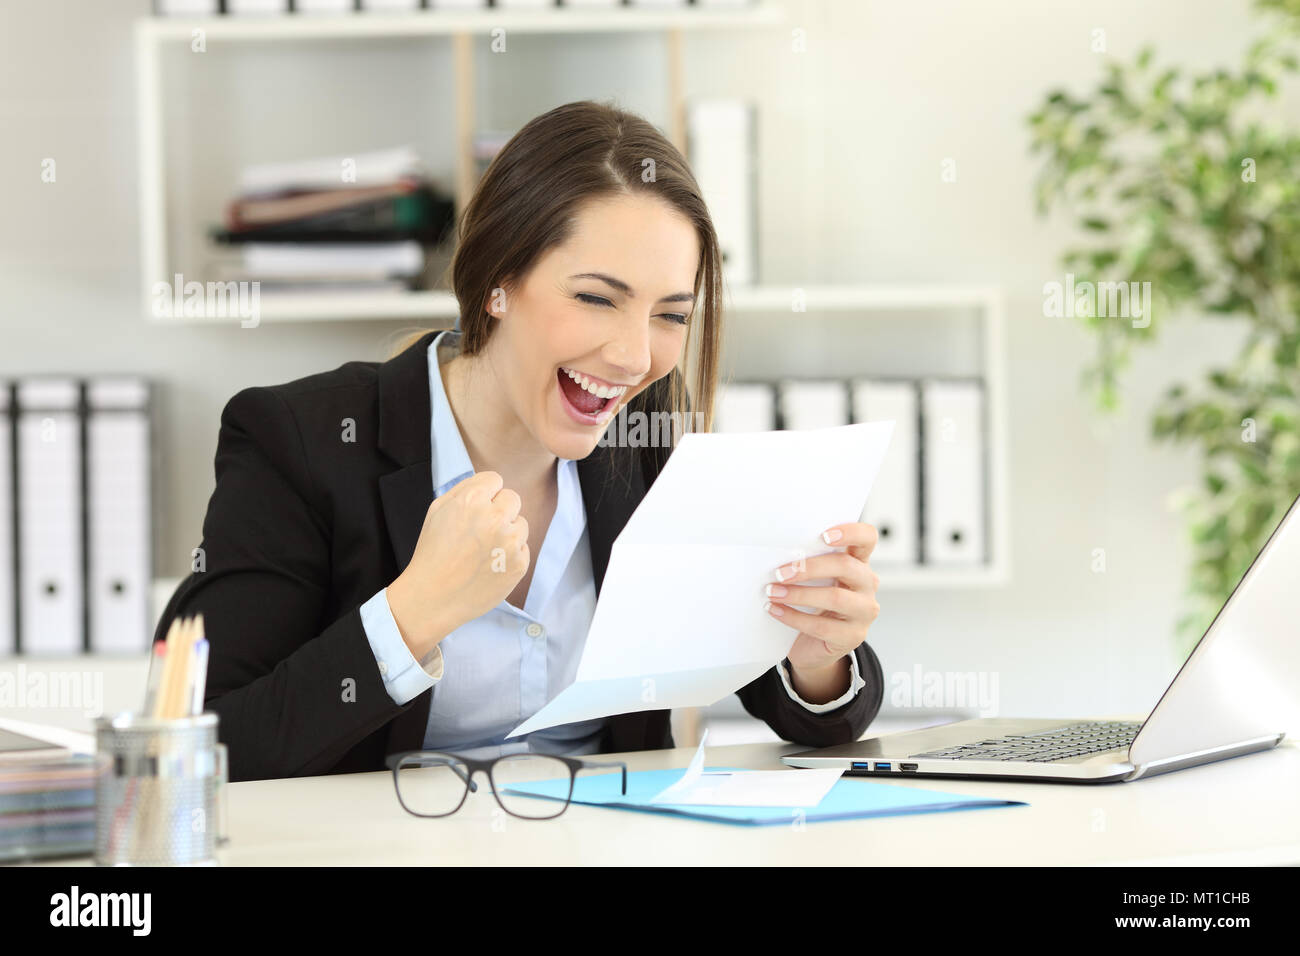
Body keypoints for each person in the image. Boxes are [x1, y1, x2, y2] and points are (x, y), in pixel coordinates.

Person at [155, 100, 885, 783]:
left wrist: (816, 656)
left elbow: (800, 707)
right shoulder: (300, 441)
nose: (634, 356)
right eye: (596, 298)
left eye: (671, 314)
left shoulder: (649, 427)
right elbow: (203, 744)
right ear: (497, 282)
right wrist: (413, 613)